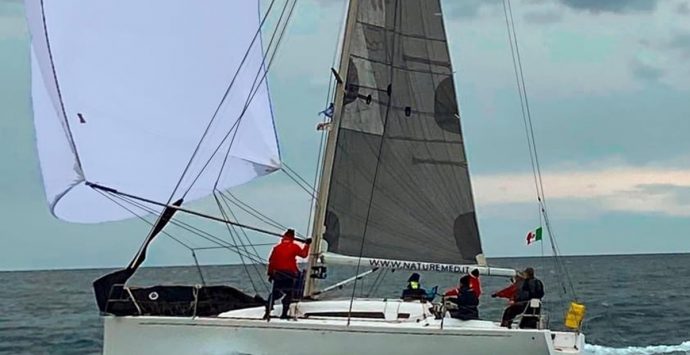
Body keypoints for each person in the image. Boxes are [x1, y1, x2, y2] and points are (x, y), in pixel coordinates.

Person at [264, 229, 311, 320]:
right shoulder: (293, 246)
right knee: (289, 293)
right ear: (292, 238)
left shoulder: (277, 248)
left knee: (275, 294)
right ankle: (284, 313)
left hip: (278, 274)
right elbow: (304, 254)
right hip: (290, 275)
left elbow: (271, 262)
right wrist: (307, 245)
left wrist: (270, 274)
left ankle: (267, 312)